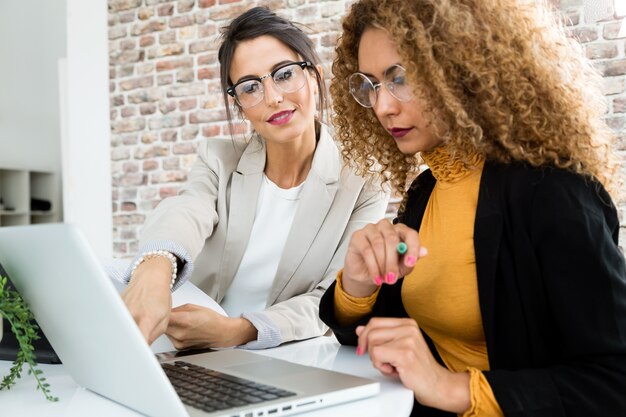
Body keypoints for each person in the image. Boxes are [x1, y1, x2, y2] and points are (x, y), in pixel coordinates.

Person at [318, 0, 626, 416]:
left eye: (401, 78)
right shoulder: (426, 191)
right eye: (371, 85)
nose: (382, 106)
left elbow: (613, 382)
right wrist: (358, 283)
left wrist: (453, 388)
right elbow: (377, 341)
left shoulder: (553, 193)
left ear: (462, 68)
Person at [120, 6, 388, 350]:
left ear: (314, 76)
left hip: (280, 355)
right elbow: (187, 209)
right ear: (239, 105)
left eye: (285, 74)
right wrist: (155, 266)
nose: (273, 98)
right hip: (184, 350)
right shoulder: (219, 158)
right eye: (250, 87)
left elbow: (330, 296)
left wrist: (240, 330)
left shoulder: (365, 181)